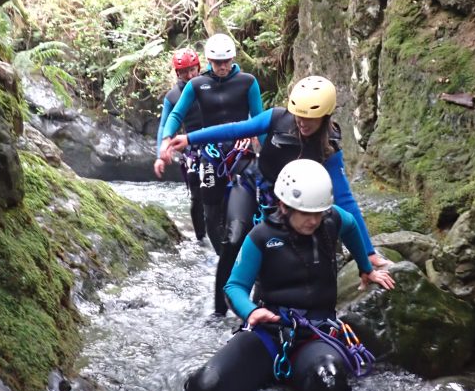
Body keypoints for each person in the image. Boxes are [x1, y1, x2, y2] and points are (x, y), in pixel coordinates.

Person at [183, 160, 395, 391]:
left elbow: (351, 225)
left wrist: (365, 266)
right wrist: (250, 311)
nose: (313, 220)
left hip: (315, 335)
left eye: (318, 213)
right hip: (269, 332)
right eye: (306, 213)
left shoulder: (331, 219)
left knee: (329, 379)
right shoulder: (262, 237)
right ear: (284, 206)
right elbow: (234, 287)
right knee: (203, 390)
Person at [164, 75, 388, 270]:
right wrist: (189, 138)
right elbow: (234, 129)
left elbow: (344, 199)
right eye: (299, 116)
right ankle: (223, 304)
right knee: (234, 239)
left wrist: (368, 253)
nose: (302, 123)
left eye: (310, 119)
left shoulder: (329, 145)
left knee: (286, 256)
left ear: (325, 116)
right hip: (256, 185)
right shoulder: (277, 118)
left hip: (293, 199)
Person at [156, 33, 263, 317]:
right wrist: (166, 142)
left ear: (233, 59)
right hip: (208, 155)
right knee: (210, 211)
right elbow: (175, 116)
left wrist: (258, 143)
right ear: (210, 61)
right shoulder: (196, 84)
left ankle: (245, 266)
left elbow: (259, 117)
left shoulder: (248, 82)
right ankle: (222, 262)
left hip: (240, 154)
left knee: (242, 219)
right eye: (216, 62)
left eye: (226, 62)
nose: (222, 67)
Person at [153, 47, 207, 241]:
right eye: (184, 72)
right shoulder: (173, 97)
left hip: (217, 143)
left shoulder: (210, 83)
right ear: (177, 73)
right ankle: (201, 238)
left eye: (192, 70)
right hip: (192, 147)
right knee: (196, 193)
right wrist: (161, 154)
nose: (189, 75)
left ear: (199, 67)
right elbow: (165, 125)